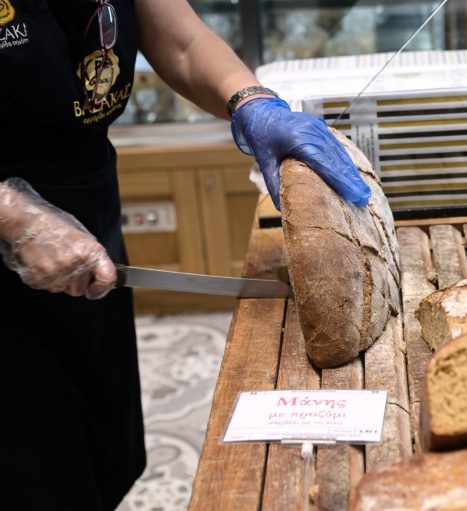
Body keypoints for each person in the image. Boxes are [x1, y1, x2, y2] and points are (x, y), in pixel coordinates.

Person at [0, 0, 370, 508]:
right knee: (33, 467)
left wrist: (251, 101)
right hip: (6, 236)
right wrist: (14, 217)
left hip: (87, 211)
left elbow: (182, 41)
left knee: (100, 448)